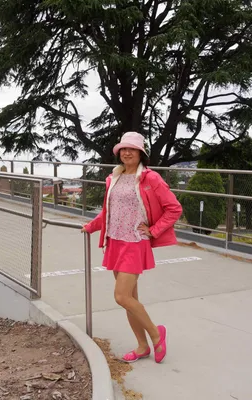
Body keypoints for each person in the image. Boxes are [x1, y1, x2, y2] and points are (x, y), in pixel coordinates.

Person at [82, 131, 182, 364]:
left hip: (135, 242)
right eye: (123, 149)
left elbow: (174, 208)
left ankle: (157, 334)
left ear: (141, 153)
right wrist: (91, 226)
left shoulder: (150, 179)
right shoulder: (113, 178)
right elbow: (109, 211)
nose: (126, 152)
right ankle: (142, 346)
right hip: (115, 241)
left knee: (121, 296)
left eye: (132, 149)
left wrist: (155, 230)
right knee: (131, 299)